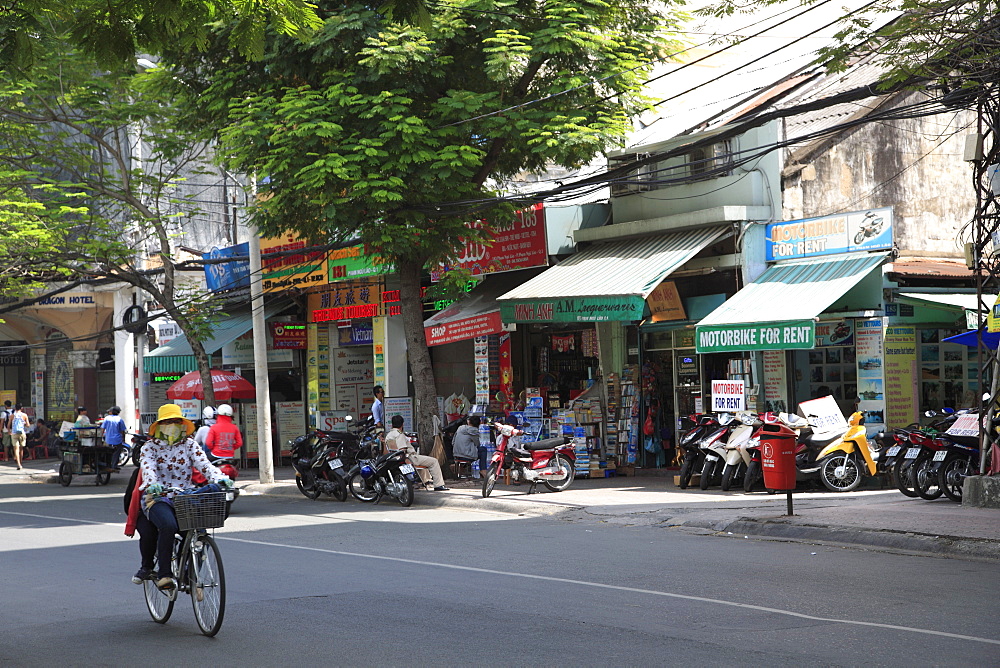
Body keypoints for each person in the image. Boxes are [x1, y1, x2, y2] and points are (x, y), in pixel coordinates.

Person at [133, 403, 232, 589]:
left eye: (176, 421)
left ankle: (189, 572)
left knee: (199, 530)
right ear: (160, 425)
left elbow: (205, 466)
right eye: (168, 421)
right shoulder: (149, 447)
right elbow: (148, 468)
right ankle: (164, 575)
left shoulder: (189, 444)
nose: (173, 425)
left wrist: (220, 478)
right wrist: (153, 483)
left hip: (184, 496)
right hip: (158, 497)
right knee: (168, 526)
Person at [384, 414, 448, 491]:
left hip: (395, 458)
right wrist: (406, 460)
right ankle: (438, 485)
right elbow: (402, 450)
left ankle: (426, 480)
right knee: (434, 461)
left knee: (423, 460)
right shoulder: (399, 434)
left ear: (392, 424)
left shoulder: (388, 435)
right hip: (409, 458)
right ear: (402, 424)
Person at [102, 406, 128, 471]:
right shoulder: (120, 419)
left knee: (108, 452)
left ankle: (108, 465)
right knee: (116, 453)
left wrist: (100, 436)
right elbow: (122, 431)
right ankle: (114, 465)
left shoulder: (107, 418)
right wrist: (123, 439)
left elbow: (102, 428)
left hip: (108, 439)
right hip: (117, 440)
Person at [9, 403, 28, 470]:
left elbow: (9, 425)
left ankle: (18, 464)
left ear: (15, 408)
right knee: (21, 449)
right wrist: (24, 424)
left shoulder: (12, 415)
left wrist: (9, 431)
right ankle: (21, 462)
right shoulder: (24, 415)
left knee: (16, 449)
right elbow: (28, 425)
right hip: (22, 433)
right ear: (22, 408)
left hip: (14, 433)